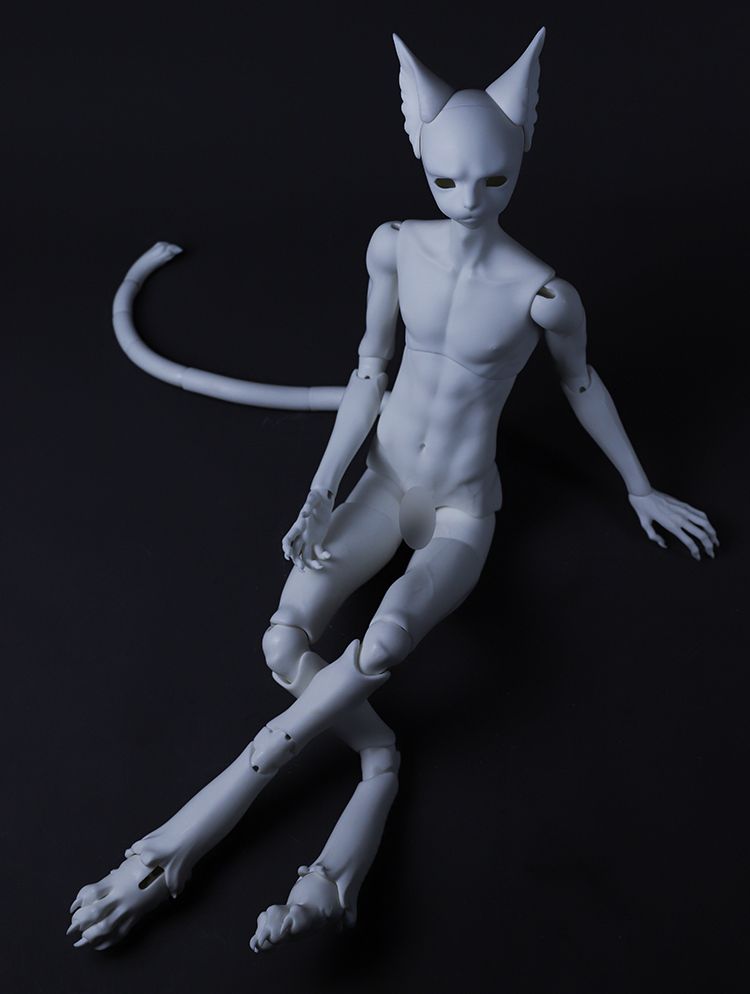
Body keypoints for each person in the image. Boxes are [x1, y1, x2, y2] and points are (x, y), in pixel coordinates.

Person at [68, 29, 717, 953]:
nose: (469, 201)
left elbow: (580, 382)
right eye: (448, 180)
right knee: (281, 643)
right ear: (419, 152)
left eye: (491, 181)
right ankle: (376, 758)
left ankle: (191, 832)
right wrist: (319, 490)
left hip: (458, 510)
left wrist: (640, 487)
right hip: (380, 481)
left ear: (522, 156)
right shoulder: (395, 246)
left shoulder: (543, 295)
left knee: (382, 641)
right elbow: (370, 369)